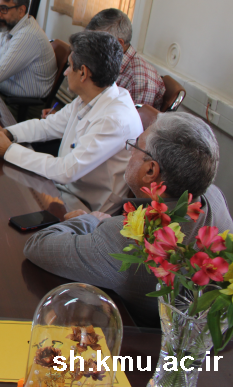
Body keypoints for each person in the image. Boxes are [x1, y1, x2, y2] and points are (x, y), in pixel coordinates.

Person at [23, 112, 232, 327]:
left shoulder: (123, 239)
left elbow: (37, 246)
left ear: (150, 170)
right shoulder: (213, 197)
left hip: (140, 343)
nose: (130, 151)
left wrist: (91, 220)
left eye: (135, 146)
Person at [0, 31, 143, 213]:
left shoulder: (114, 119)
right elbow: (48, 126)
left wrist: (8, 150)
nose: (66, 72)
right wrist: (8, 133)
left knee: (1, 201)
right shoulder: (93, 96)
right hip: (65, 189)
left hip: (85, 209)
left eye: (69, 66)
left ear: (83, 73)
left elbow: (66, 171)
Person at [86, 8, 165, 109]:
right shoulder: (106, 60)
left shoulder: (140, 80)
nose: (92, 48)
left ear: (118, 44)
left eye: (97, 42)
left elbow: (134, 119)